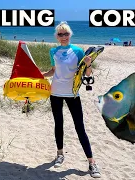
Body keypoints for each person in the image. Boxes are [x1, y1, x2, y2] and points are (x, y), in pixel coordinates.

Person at [42, 21, 101, 178]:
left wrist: (89, 64)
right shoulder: (53, 51)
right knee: (58, 124)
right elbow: (53, 71)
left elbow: (86, 74)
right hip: (55, 93)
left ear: (70, 35)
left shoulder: (78, 51)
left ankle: (92, 163)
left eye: (66, 34)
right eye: (60, 34)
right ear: (56, 36)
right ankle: (60, 154)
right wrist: (40, 76)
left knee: (79, 127)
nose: (63, 37)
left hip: (72, 94)